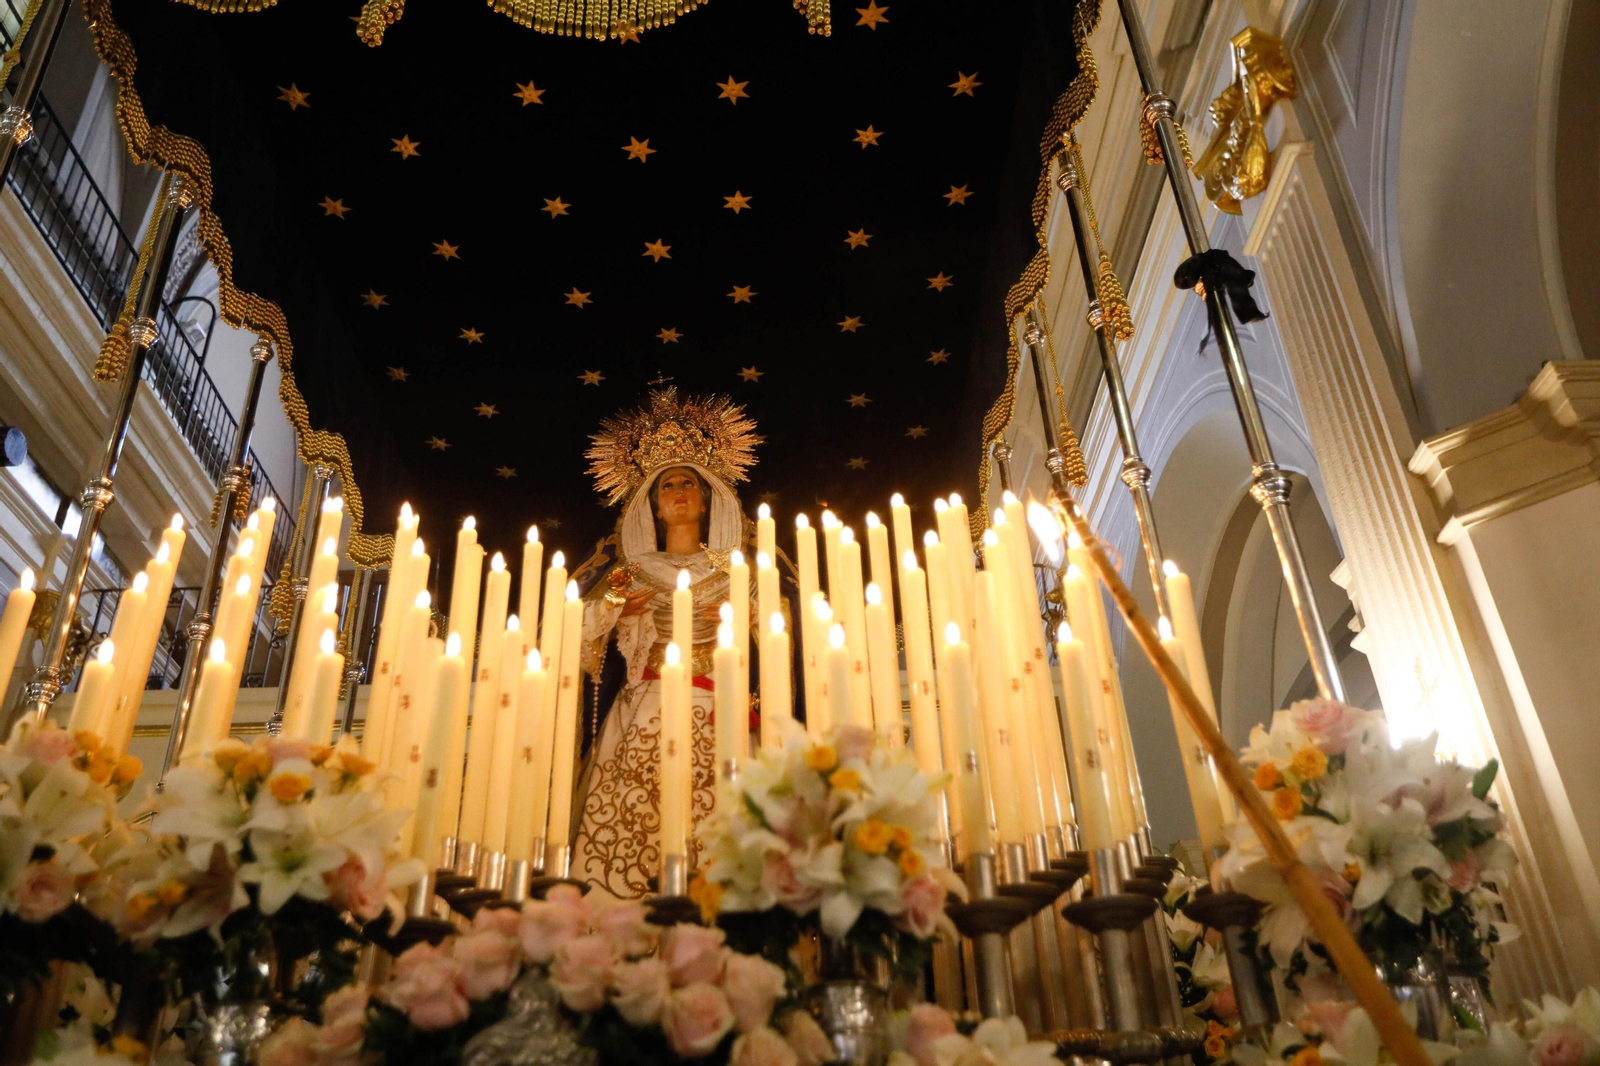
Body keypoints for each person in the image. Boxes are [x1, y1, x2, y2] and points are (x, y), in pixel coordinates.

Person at [568, 389, 761, 898]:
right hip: (644, 709)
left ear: (706, 497)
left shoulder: (735, 571)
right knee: (629, 826)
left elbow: (779, 635)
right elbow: (581, 637)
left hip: (718, 706)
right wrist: (613, 605)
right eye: (668, 485)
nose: (678, 492)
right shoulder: (630, 574)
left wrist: (743, 614)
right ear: (652, 504)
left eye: (688, 484)